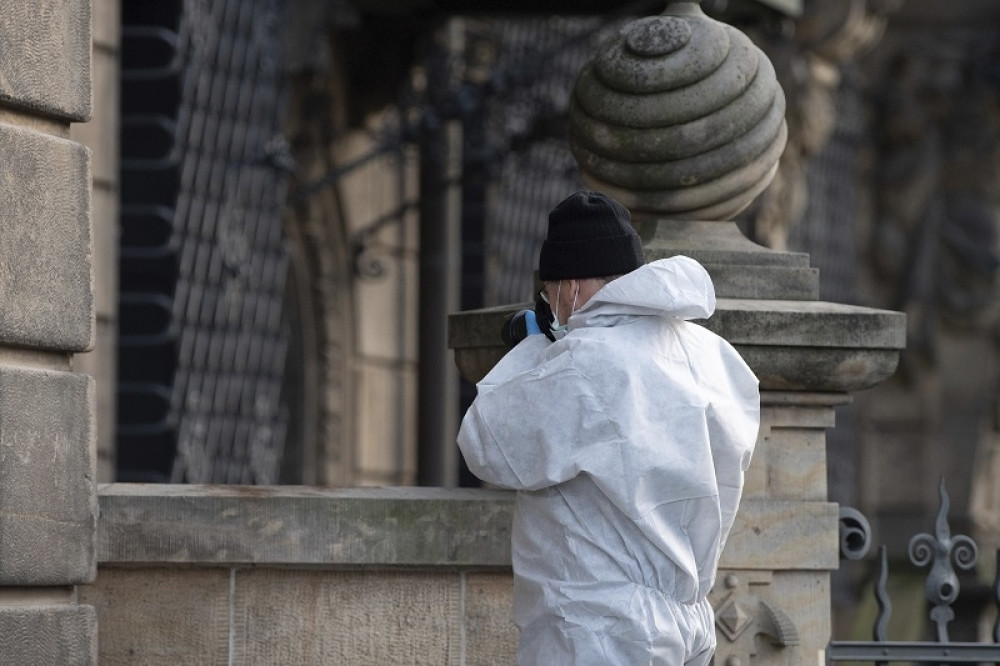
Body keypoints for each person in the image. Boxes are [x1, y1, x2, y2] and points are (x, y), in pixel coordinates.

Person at [457, 190, 760, 665]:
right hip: (687, 617)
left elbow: (486, 443)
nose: (550, 304)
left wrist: (538, 350)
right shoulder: (711, 353)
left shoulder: (587, 362)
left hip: (600, 624)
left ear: (571, 287)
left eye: (551, 291)